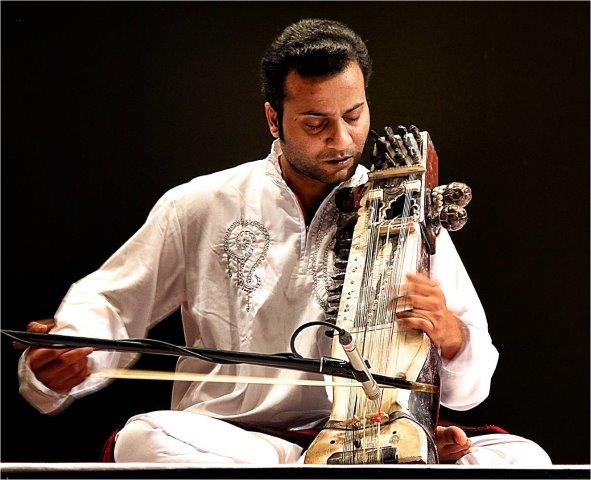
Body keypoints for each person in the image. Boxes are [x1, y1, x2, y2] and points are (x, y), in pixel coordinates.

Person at [18, 18, 550, 466]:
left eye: (353, 115)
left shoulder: (402, 207)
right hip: (240, 446)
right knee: (148, 439)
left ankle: (344, 464)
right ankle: (311, 468)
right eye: (316, 122)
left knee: (523, 459)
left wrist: (452, 336)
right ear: (274, 118)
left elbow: (471, 387)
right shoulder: (200, 204)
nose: (342, 141)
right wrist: (71, 348)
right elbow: (108, 304)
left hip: (374, 438)